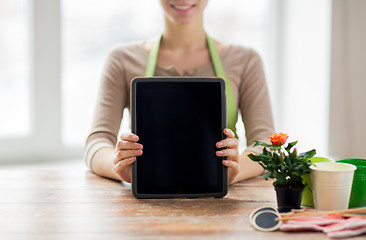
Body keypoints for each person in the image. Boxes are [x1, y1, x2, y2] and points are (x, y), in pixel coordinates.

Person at [84, 0, 274, 185]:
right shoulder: (122, 59)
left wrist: (233, 171)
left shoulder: (246, 60)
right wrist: (122, 168)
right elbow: (97, 142)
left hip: (221, 203)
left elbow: (267, 144)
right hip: (149, 200)